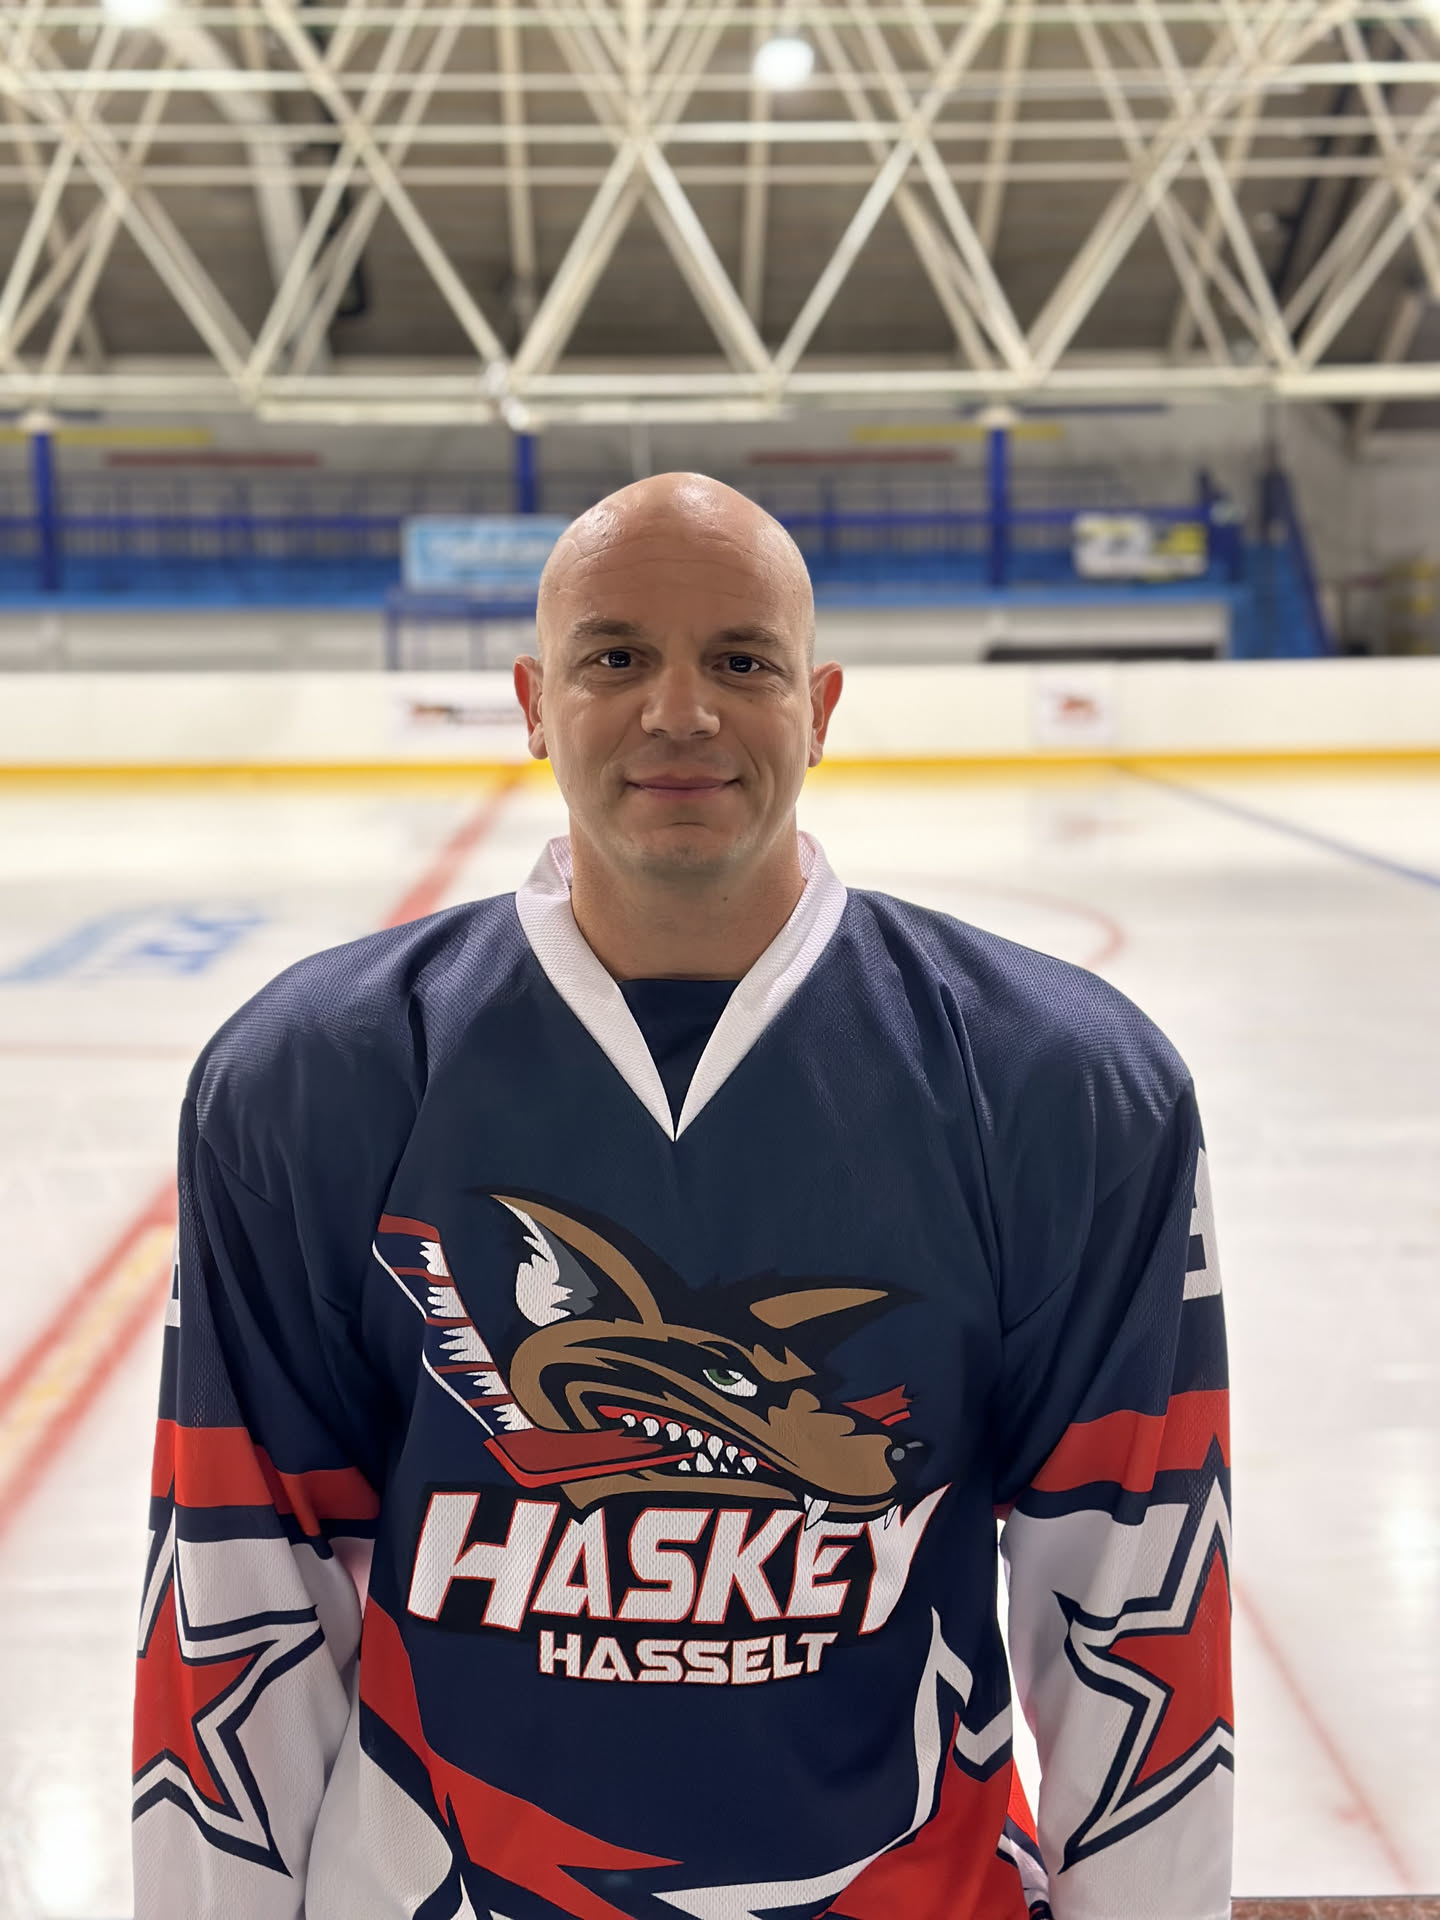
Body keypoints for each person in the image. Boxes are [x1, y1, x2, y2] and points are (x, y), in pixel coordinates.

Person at [132, 473, 1232, 1920]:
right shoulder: (317, 1076)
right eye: (616, 657)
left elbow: (1134, 1603)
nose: (680, 711)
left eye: (741, 661)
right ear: (535, 702)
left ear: (819, 708)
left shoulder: (1059, 1086)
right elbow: (239, 1594)